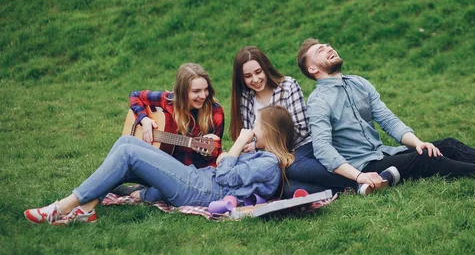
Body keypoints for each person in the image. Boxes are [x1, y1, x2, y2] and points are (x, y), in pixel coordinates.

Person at [296, 38, 475, 194]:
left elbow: (388, 119)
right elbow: (322, 148)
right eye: (320, 50)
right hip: (366, 167)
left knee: (443, 145)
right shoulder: (318, 101)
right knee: (426, 160)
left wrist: (416, 141)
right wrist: (358, 177)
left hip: (384, 154)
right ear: (312, 69)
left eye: (327, 45)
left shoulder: (359, 83)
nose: (328, 47)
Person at [24, 105, 295, 225]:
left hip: (200, 191)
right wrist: (242, 150)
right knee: (124, 146)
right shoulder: (262, 157)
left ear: (269, 131)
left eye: (256, 126)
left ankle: (61, 207)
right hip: (197, 180)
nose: (250, 129)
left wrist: (236, 147)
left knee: (129, 153)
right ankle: (85, 209)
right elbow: (228, 169)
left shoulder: (270, 163)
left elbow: (225, 177)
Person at [230, 46, 356, 197]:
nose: (255, 79)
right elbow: (248, 134)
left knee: (291, 167)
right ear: (241, 78)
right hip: (271, 159)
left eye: (258, 72)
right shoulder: (245, 97)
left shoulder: (287, 86)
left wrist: (260, 144)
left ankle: (355, 179)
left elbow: (302, 129)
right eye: (248, 76)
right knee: (285, 189)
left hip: (300, 147)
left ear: (266, 68)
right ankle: (344, 189)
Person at [112, 63, 225, 200]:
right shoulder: (169, 101)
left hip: (190, 174)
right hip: (161, 166)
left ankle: (142, 192)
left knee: (162, 193)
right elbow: (135, 96)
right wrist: (144, 119)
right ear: (182, 92)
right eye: (196, 91)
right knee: (122, 164)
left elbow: (214, 154)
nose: (203, 95)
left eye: (206, 89)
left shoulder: (215, 113)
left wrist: (207, 152)